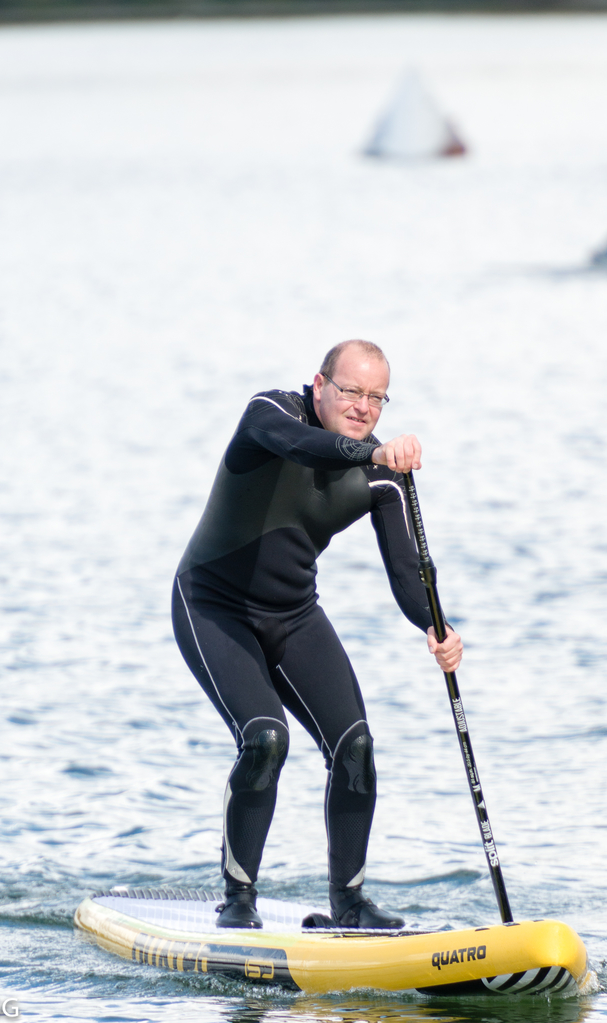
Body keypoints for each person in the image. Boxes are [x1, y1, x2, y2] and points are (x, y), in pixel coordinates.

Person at [172, 339, 462, 930]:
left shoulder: (381, 475)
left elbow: (409, 573)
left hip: (294, 613)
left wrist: (437, 625)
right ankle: (238, 900)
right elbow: (303, 447)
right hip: (213, 605)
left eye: (376, 397)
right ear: (319, 384)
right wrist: (372, 453)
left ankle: (350, 904)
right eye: (351, 390)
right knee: (265, 740)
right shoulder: (270, 414)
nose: (363, 406)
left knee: (355, 745)